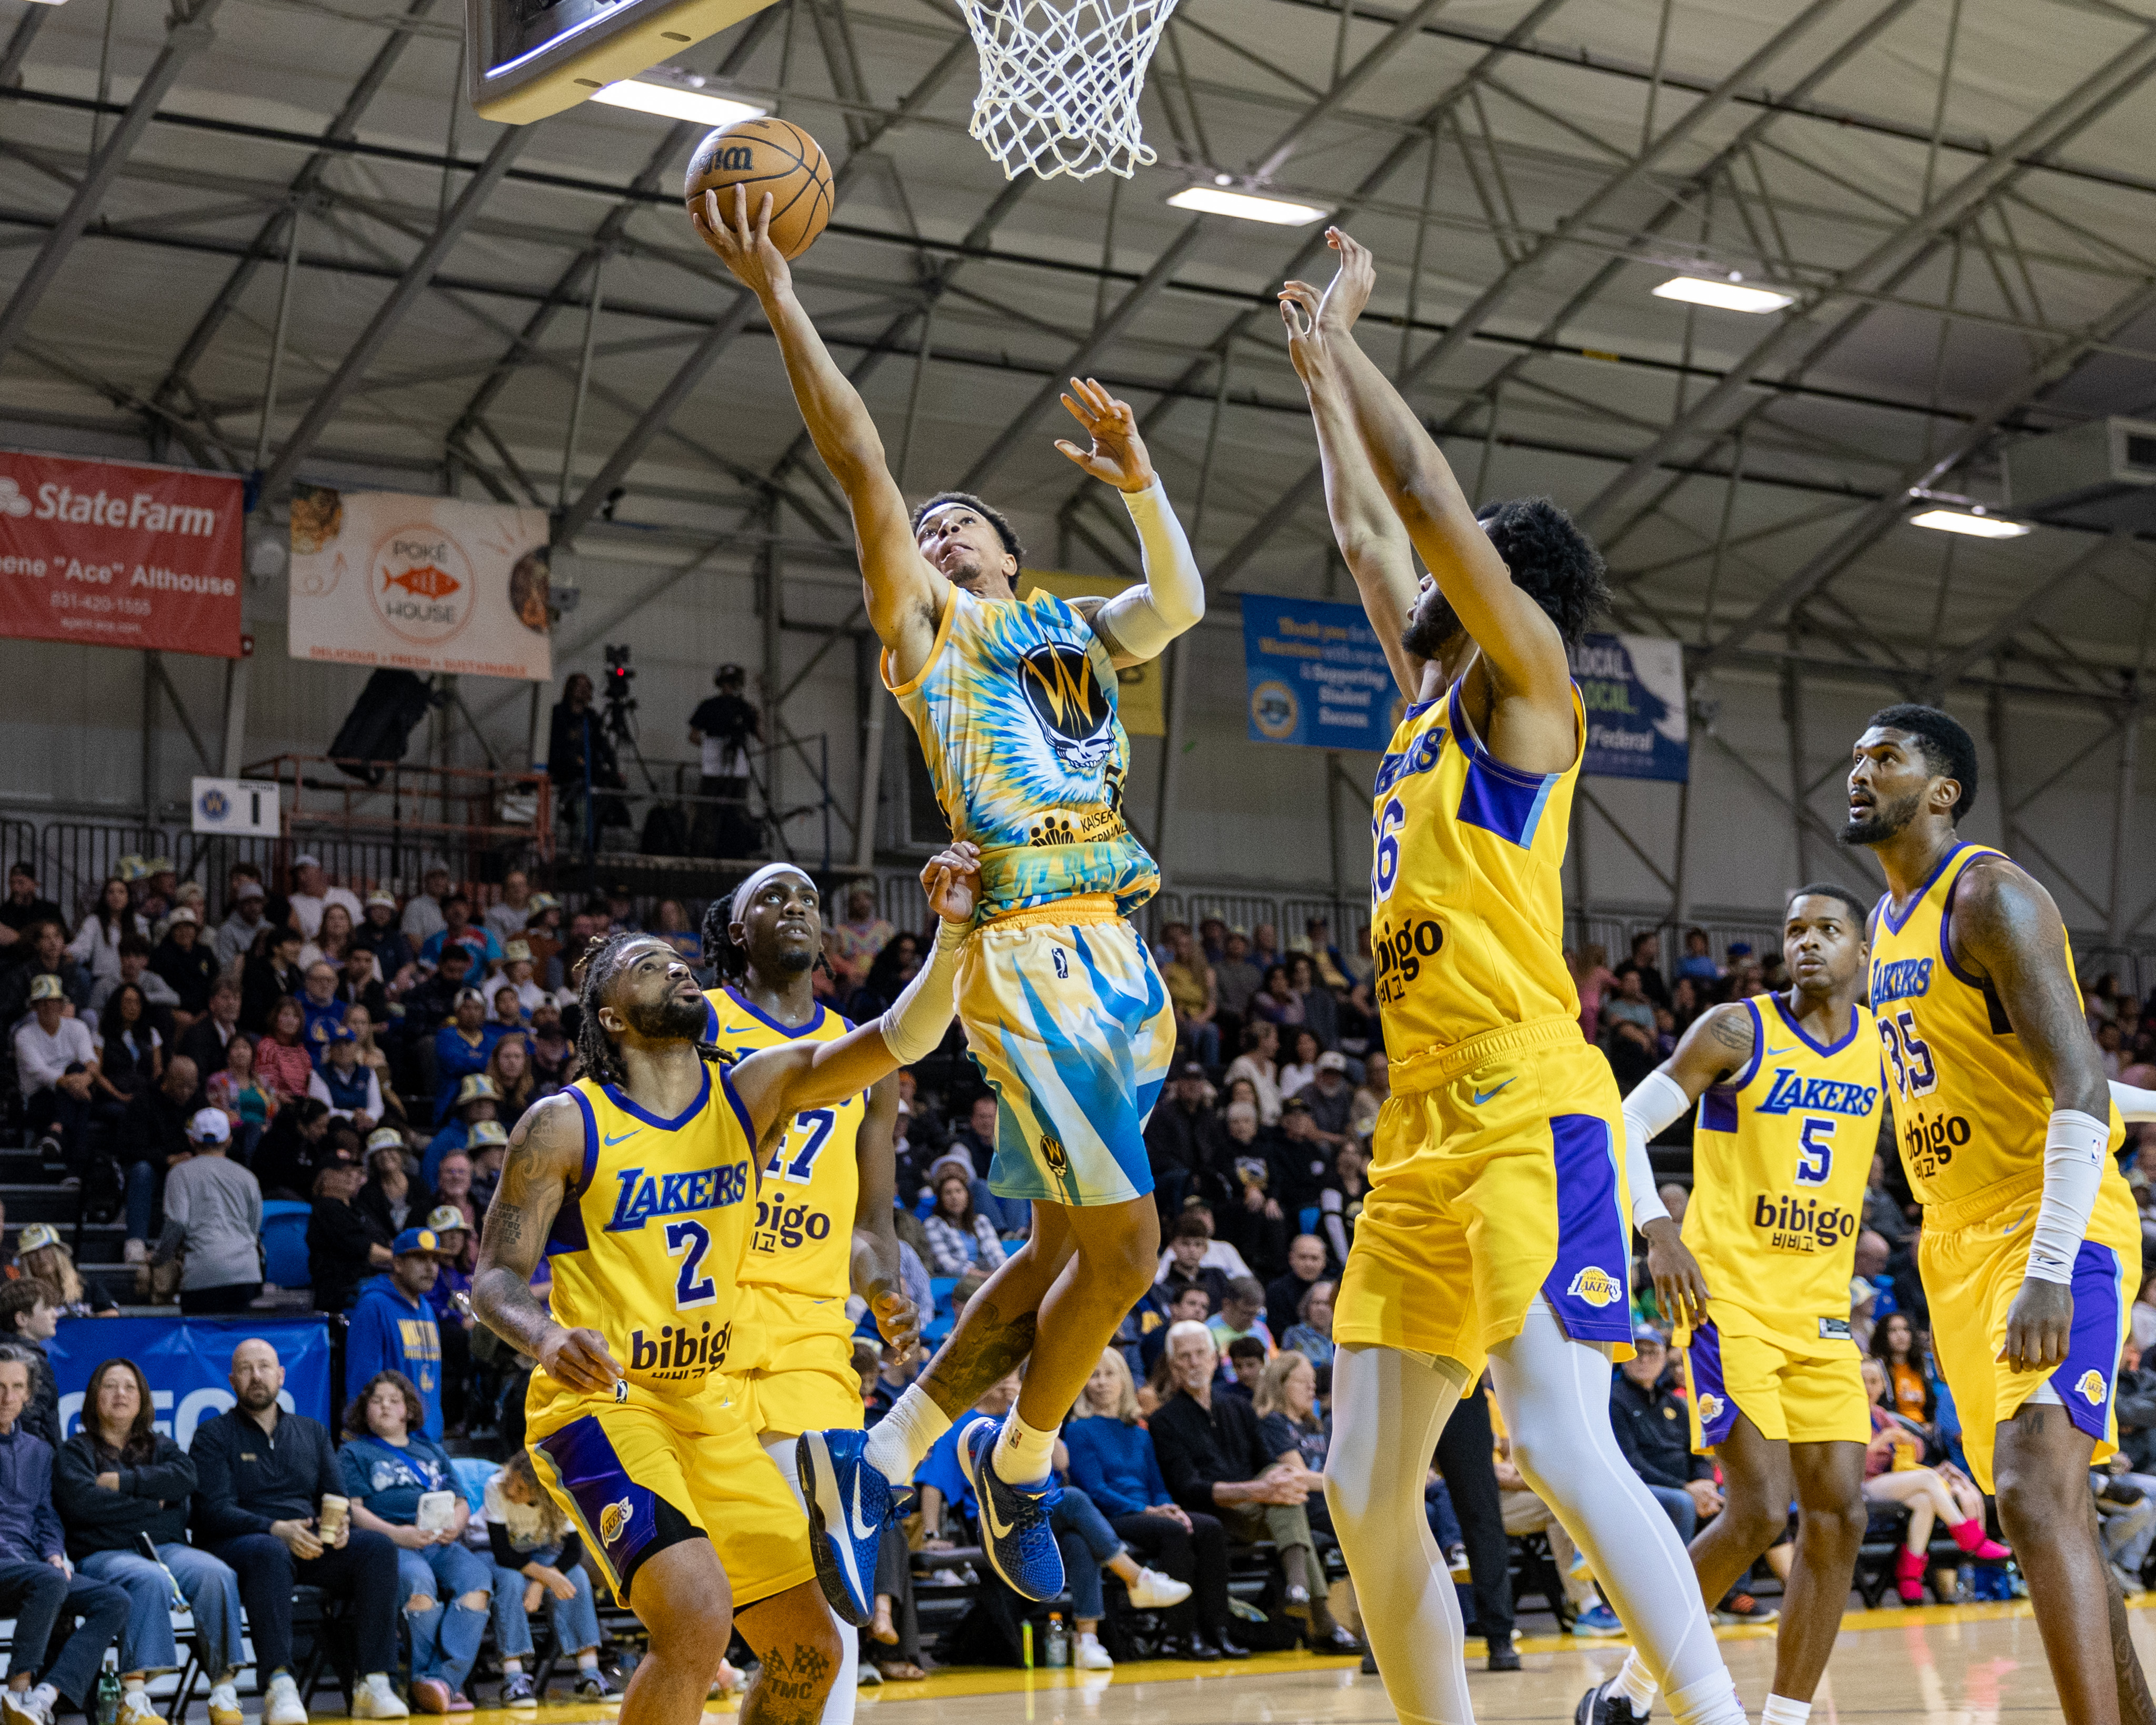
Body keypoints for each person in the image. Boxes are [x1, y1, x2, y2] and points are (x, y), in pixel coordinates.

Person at [703, 186, 1212, 1614]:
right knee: (1126, 1249)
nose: (928, 534)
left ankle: (898, 1442)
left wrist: (1135, 474)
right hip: (1025, 949)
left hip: (1122, 957)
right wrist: (783, 301)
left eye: (953, 524)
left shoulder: (1071, 630)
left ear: (1005, 544)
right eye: (917, 531)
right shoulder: (936, 630)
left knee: (1062, 1253)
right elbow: (859, 461)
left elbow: (1176, 599)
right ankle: (1019, 1457)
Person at [1280, 228, 1744, 1725]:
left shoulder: (1527, 681)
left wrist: (1351, 330)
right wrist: (1313, 380)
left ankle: (1715, 1713)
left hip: (1529, 1100)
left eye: (1462, 558)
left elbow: (1416, 497)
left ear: (1501, 582)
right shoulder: (1426, 699)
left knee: (1557, 1436)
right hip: (1419, 1128)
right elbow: (1368, 529)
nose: (1424, 571)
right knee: (1362, 1482)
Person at [466, 847, 978, 1725]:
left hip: (710, 1407)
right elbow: (495, 1280)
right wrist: (547, 1336)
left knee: (811, 1652)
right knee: (697, 1624)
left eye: (674, 958)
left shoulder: (752, 1093)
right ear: (611, 1018)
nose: (671, 964)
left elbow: (901, 1038)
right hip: (605, 1407)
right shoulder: (563, 1122)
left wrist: (956, 928)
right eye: (643, 965)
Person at [1850, 702, 2152, 1725]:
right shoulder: (1880, 919)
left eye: (1883, 759)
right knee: (2044, 1516)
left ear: (1941, 792)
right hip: (1952, 1242)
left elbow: (2077, 1087)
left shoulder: (1984, 897)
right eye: (1853, 757)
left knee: (2029, 1489)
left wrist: (2050, 1264)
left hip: (2047, 1222)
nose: (1857, 772)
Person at [1588, 885, 1885, 1725]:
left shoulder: (1886, 1046)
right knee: (1757, 1511)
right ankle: (1633, 1689)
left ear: (1863, 954)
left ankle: (1783, 1719)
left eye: (1830, 930)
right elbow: (1619, 1127)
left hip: (1824, 1312)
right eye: (1795, 930)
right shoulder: (1736, 1029)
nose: (1809, 944)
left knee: (1844, 1515)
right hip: (1731, 1302)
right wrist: (1659, 1230)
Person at [697, 865, 917, 1719]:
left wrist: (886, 1288)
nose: (796, 907)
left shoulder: (868, 1058)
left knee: (830, 1597)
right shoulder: (692, 1024)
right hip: (699, 1330)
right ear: (735, 931)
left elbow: (871, 1221)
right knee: (707, 1597)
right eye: (772, 897)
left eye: (809, 900)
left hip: (809, 1338)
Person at [193, 1339, 406, 1724]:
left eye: (264, 1366)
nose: (256, 1375)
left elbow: (336, 1495)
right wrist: (275, 1528)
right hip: (244, 1546)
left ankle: (374, 1681)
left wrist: (340, 1526)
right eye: (246, 1368)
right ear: (231, 1380)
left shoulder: (311, 1430)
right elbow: (212, 1511)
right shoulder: (213, 1434)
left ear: (281, 1375)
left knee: (376, 1546)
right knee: (269, 1549)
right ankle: (280, 1683)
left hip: (309, 1544)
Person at [1146, 1319, 1358, 1650]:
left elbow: (1266, 1462)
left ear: (1216, 1358)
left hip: (1261, 1511)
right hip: (1213, 1514)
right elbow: (1188, 1488)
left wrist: (1271, 1483)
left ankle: (1303, 1594)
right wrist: (1259, 1490)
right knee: (1285, 1497)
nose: (1194, 1363)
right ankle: (1317, 1613)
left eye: (1200, 1354)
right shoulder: (1164, 1420)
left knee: (1283, 1483)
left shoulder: (1239, 1407)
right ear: (1173, 1366)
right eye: (1185, 1357)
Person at [57, 1358, 246, 1725]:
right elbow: (81, 1505)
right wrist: (153, 1503)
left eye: (129, 1386)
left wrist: (122, 1484)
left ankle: (223, 1691)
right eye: (110, 1385)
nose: (120, 1393)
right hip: (102, 1553)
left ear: (143, 1397)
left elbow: (186, 1479)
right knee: (147, 1578)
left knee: (216, 1573)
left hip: (167, 1547)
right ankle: (135, 1699)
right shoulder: (74, 1451)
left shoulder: (162, 1445)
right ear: (95, 1396)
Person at [1062, 1349, 1241, 1659]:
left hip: (1149, 1512)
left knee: (1209, 1528)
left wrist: (1169, 1507)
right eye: (1093, 1376)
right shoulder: (1079, 1430)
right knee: (1172, 1532)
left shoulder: (1140, 1433)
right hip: (1109, 1516)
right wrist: (1151, 1511)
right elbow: (1095, 1491)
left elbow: (1158, 1486)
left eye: (1109, 1374)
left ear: (1124, 1381)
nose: (1101, 1383)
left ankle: (1218, 1629)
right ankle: (1181, 1634)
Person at [340, 1371, 489, 1713]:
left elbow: (462, 1501)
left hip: (439, 1540)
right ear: (365, 1411)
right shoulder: (355, 1453)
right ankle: (431, 1681)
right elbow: (353, 1508)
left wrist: (456, 1524)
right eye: (376, 1401)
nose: (385, 1407)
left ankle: (440, 1682)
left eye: (394, 1400)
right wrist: (396, 1534)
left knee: (478, 1581)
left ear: (408, 1409)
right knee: (419, 1584)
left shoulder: (431, 1451)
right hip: (390, 1542)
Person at [0, 1353, 128, 1725]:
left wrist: (54, 1552)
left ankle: (45, 1695)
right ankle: (18, 1691)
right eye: (0, 1387)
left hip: (29, 1570)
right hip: (18, 1572)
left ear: (28, 1396)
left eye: (17, 1387)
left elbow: (46, 1514)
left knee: (113, 1599)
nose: (7, 1396)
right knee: (49, 1579)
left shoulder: (40, 1452)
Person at [1860, 1357, 2004, 1602]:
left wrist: (1905, 1439)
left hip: (1888, 1482)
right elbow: (1854, 1463)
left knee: (1925, 1500)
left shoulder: (1880, 1415)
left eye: (1874, 1381)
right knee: (1929, 1478)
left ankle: (1909, 1575)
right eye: (1862, 1381)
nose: (1869, 1387)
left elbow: (1918, 1451)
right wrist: (1881, 1443)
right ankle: (1970, 1538)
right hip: (1861, 1486)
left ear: (1883, 1386)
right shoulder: (1849, 1416)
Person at [480, 1450, 609, 1706]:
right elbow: (503, 1553)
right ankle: (513, 1677)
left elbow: (573, 1551)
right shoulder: (496, 1486)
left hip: (540, 1555)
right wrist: (545, 1577)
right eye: (511, 1481)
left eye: (520, 1488)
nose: (511, 1491)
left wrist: (541, 1583)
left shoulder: (560, 1495)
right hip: (490, 1553)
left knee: (578, 1577)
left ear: (540, 1492)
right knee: (511, 1582)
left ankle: (589, 1673)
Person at [152, 1108, 264, 1314]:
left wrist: (159, 1259)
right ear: (229, 1140)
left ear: (192, 1140)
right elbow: (253, 1229)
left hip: (203, 1272)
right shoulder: (248, 1177)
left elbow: (177, 1222)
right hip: (246, 1273)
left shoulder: (180, 1173)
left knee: (201, 1343)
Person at [347, 1229, 448, 1439]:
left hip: (428, 1441)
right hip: (389, 1442)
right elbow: (363, 1381)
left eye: (435, 1260)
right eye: (420, 1258)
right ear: (398, 1264)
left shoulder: (427, 1309)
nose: (431, 1267)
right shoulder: (373, 1305)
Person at [14, 974, 99, 1163]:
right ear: (34, 1007)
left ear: (62, 1005)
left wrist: (84, 1080)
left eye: (52, 1002)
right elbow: (40, 1072)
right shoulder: (24, 1036)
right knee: (80, 1101)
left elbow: (91, 1061)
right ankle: (76, 1167)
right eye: (41, 1003)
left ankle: (56, 1131)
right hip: (40, 1099)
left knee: (77, 1069)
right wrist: (74, 1085)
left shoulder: (78, 1027)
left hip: (73, 1092)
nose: (47, 1007)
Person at [687, 664, 763, 859]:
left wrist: (758, 718)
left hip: (733, 768)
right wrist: (713, 747)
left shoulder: (742, 708)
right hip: (720, 767)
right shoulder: (715, 706)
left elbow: (694, 737)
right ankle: (709, 849)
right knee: (715, 808)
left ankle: (724, 847)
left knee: (725, 808)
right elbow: (694, 736)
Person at [307, 1149, 392, 1314]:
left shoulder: (357, 1209)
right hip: (344, 1291)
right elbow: (365, 1250)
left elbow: (384, 1240)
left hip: (369, 1282)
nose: (352, 1176)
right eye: (344, 1172)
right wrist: (400, 1258)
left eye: (354, 1171)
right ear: (325, 1178)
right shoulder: (328, 1208)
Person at [1265, 1234, 1331, 1342]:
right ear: (1291, 1259)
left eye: (1314, 1258)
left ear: (1324, 1262)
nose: (1309, 1264)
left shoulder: (1335, 1289)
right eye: (1303, 1257)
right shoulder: (1277, 1290)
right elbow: (1277, 1333)